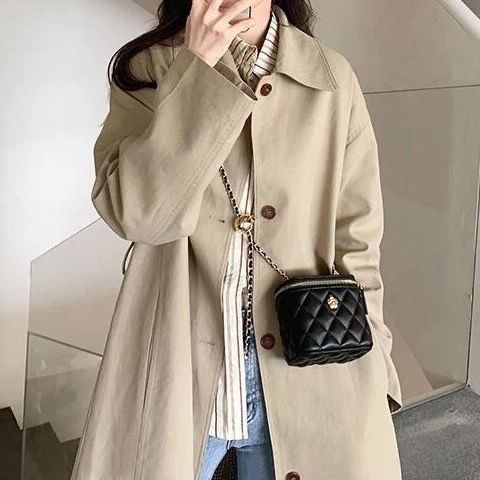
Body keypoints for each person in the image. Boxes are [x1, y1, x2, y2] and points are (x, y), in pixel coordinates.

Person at [71, 1, 404, 479]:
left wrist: (379, 367)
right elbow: (138, 216)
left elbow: (359, 242)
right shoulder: (149, 68)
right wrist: (196, 70)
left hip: (307, 367)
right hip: (179, 369)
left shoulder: (332, 78)